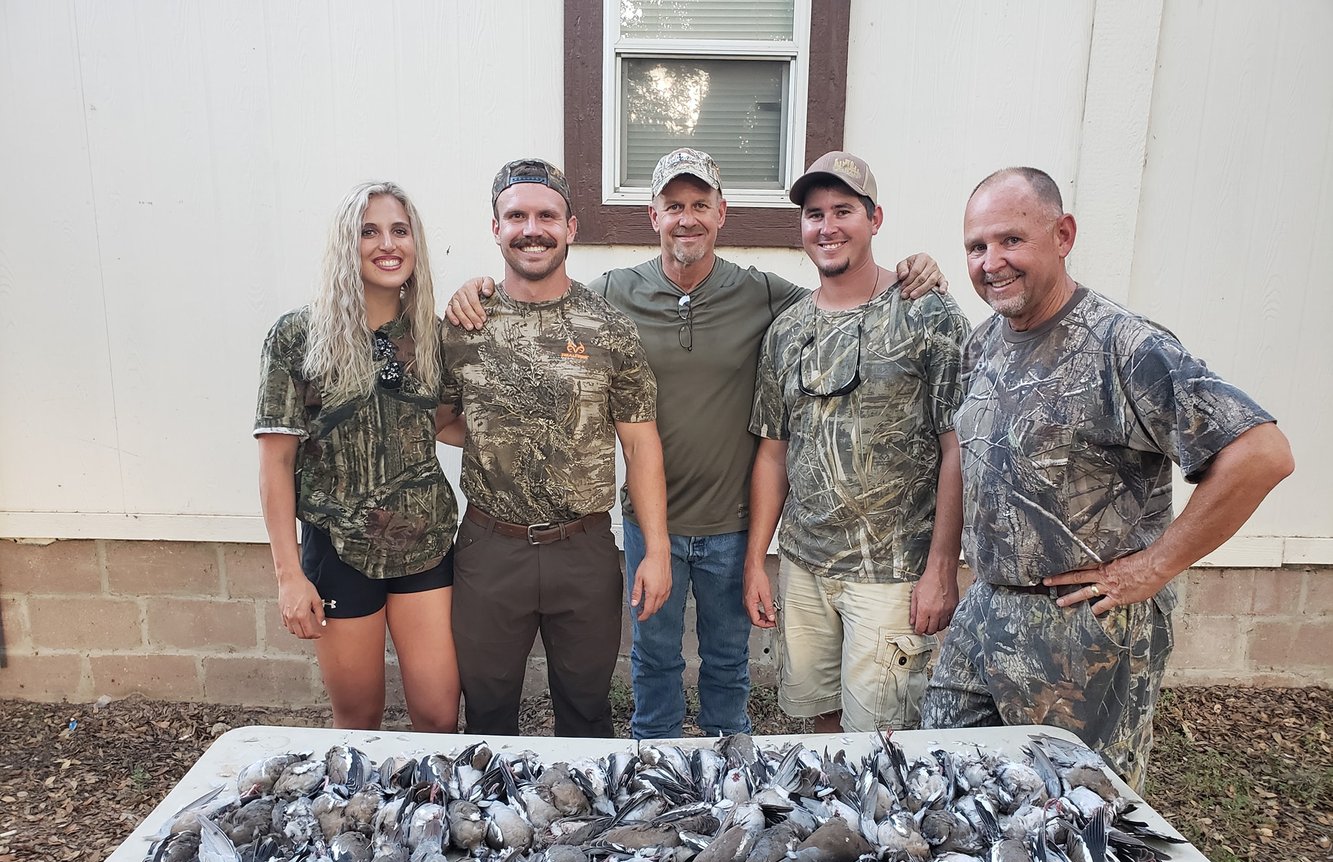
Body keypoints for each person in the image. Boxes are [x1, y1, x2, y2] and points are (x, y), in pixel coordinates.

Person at [447, 148, 945, 740]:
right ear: (653, 216)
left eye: (700, 205)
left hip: (732, 522)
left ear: (722, 213)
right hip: (647, 521)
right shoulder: (612, 295)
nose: (687, 218)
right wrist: (478, 287)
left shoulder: (765, 295)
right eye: (673, 206)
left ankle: (724, 766)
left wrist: (912, 270)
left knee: (727, 662)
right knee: (653, 659)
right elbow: (547, 306)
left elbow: (837, 297)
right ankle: (654, 762)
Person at [920, 166, 1294, 790]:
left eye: (1011, 240)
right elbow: (965, 449)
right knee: (947, 785)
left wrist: (1153, 567)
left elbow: (1261, 453)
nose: (991, 262)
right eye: (976, 246)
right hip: (986, 615)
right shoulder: (982, 344)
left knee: (1078, 823)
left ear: (1062, 234)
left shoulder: (1125, 348)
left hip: (1085, 636)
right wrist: (943, 568)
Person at [441, 158, 671, 738]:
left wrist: (658, 550)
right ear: (496, 228)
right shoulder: (465, 323)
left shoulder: (609, 327)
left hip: (584, 550)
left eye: (546, 215)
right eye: (515, 216)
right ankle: (493, 826)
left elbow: (641, 443)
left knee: (588, 709)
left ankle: (584, 822)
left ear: (571, 226)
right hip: (491, 548)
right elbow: (442, 419)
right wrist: (508, 432)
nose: (531, 228)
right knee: (488, 712)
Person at [744, 151, 971, 735]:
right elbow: (773, 451)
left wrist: (942, 568)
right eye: (814, 214)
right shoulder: (787, 330)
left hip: (892, 574)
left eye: (844, 210)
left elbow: (959, 448)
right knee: (816, 723)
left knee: (881, 739)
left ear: (875, 218)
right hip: (803, 565)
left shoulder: (928, 314)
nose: (828, 226)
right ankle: (831, 827)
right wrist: (757, 561)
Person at [255, 180, 461, 732]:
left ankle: (433, 815)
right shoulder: (300, 336)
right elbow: (276, 463)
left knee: (440, 714)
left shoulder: (433, 336)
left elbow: (446, 423)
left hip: (424, 542)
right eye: (368, 231)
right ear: (346, 245)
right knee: (358, 717)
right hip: (338, 546)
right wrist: (289, 576)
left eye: (400, 230)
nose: (386, 244)